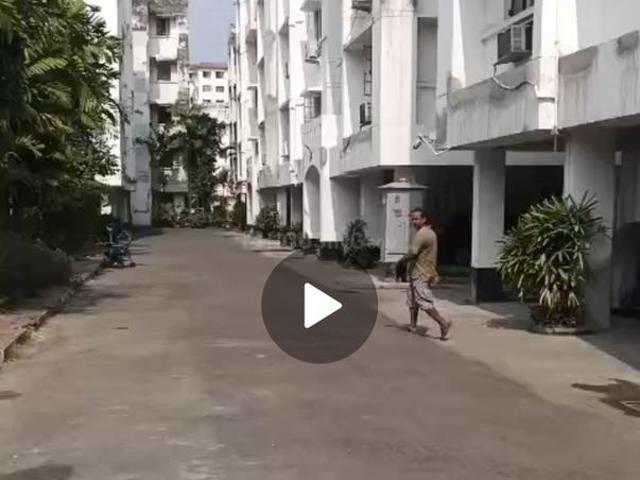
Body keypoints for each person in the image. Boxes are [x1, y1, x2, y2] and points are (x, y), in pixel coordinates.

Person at [405, 208, 452, 340]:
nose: (413, 221)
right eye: (412, 219)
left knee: (423, 301)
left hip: (421, 273)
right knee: (413, 300)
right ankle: (413, 325)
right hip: (418, 271)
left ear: (424, 219)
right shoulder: (428, 232)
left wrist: (402, 261)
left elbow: (413, 252)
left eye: (416, 219)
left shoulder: (423, 233)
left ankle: (443, 323)